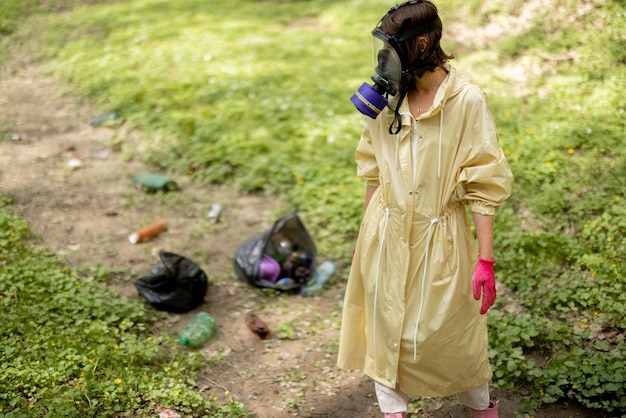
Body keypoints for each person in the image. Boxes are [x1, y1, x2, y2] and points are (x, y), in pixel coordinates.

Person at [337, 1, 514, 417]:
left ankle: (480, 406)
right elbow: (375, 173)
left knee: (451, 330)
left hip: (442, 234)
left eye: (390, 50)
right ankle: (393, 410)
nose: (384, 61)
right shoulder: (386, 99)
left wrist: (485, 259)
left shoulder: (466, 100)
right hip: (387, 229)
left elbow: (482, 182)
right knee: (384, 325)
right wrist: (365, 235)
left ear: (420, 44)